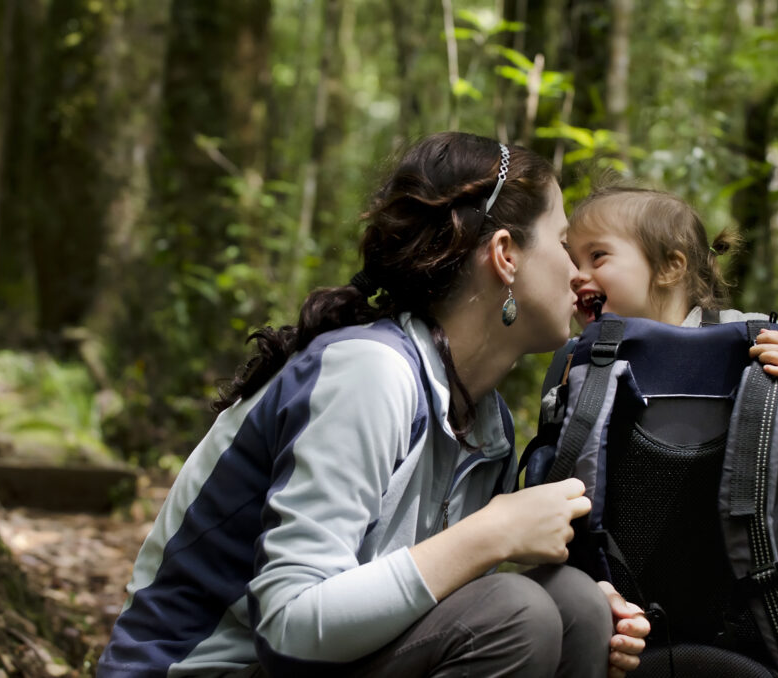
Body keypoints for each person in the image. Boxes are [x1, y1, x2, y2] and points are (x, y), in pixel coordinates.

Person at [97, 132, 650, 678]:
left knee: (577, 606)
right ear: (505, 254)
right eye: (561, 242)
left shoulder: (486, 421)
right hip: (210, 668)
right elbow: (289, 626)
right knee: (513, 614)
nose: (579, 274)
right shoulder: (370, 371)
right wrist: (492, 533)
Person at [564, 183, 778, 677]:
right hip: (624, 585)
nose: (578, 276)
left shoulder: (742, 336)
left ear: (670, 266)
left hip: (758, 582)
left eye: (597, 257)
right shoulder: (588, 359)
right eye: (572, 262)